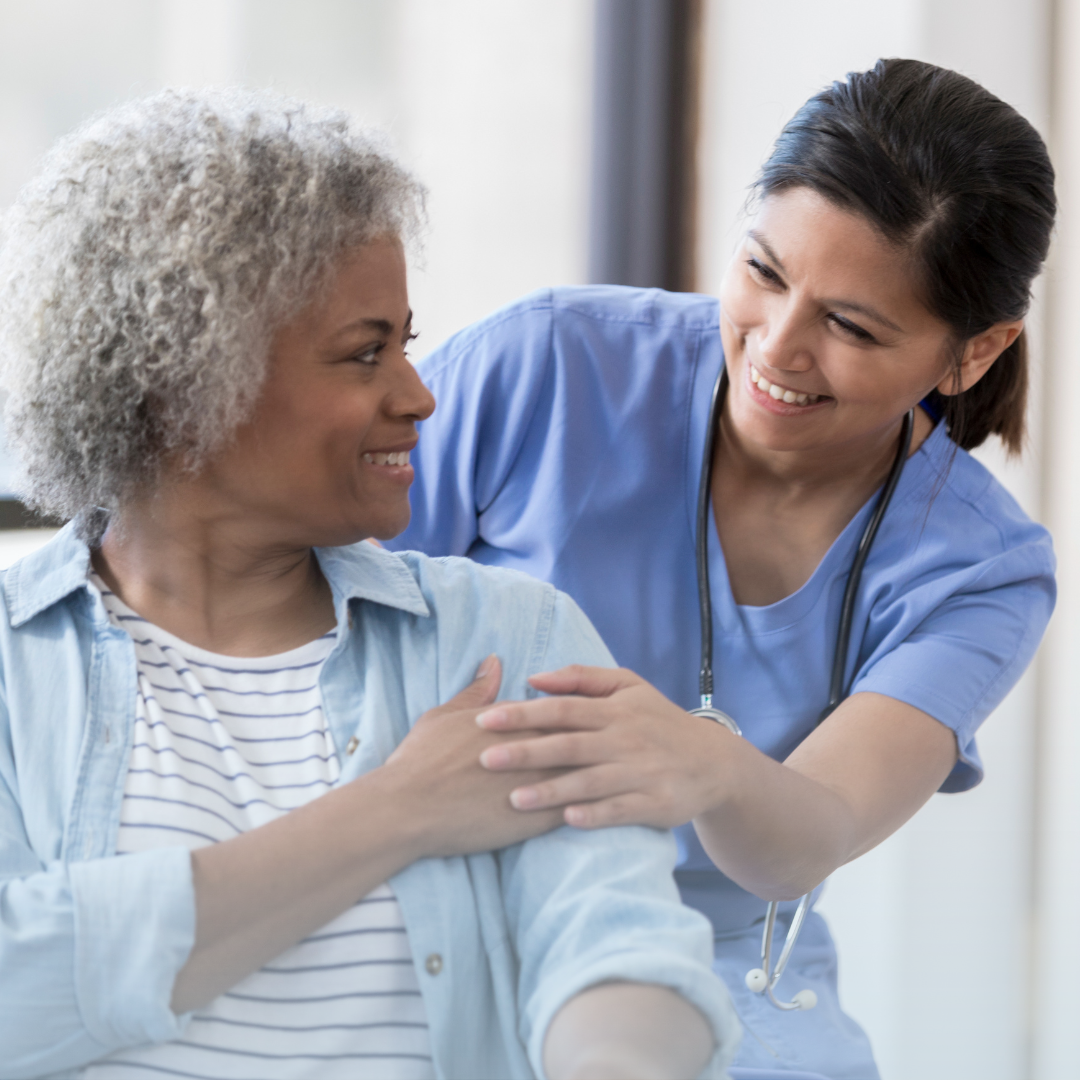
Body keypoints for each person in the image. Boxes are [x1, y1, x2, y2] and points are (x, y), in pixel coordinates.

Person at [0, 88, 741, 1080]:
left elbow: (618, 942)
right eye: (364, 353)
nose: (418, 394)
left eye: (407, 340)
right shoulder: (14, 668)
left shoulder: (507, 638)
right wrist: (396, 809)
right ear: (183, 392)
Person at [386, 59, 1057, 1080]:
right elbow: (314, 604)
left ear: (973, 353)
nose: (776, 349)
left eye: (851, 327)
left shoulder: (982, 571)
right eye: (763, 273)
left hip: (721, 962)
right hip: (430, 892)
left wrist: (706, 763)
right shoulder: (553, 365)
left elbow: (804, 840)